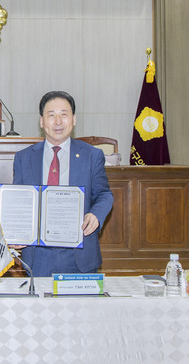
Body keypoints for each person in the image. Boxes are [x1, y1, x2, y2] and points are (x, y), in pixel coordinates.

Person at [12, 91, 113, 276]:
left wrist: (96, 215)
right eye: (51, 115)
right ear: (41, 121)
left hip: (79, 253)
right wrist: (15, 231)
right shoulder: (24, 158)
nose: (58, 121)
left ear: (73, 119)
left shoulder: (92, 155)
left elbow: (104, 194)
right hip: (38, 255)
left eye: (64, 114)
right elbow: (18, 202)